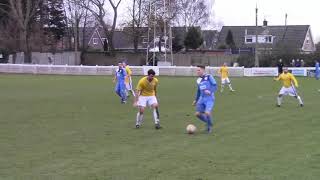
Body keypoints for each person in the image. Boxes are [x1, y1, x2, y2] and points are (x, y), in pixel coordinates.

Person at [192, 65, 217, 133]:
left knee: (207, 113)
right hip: (201, 99)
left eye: (199, 70)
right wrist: (196, 100)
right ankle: (209, 123)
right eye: (197, 70)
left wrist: (210, 91)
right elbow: (198, 91)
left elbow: (215, 86)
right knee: (197, 114)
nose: (197, 72)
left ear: (203, 70)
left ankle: (209, 127)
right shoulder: (198, 80)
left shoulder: (209, 77)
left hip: (209, 98)